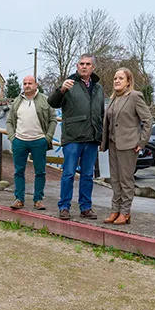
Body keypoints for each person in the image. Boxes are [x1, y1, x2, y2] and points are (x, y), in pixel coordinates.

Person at [48, 54, 104, 220]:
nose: (84, 67)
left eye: (87, 64)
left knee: (87, 175)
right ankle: (64, 207)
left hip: (92, 138)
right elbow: (53, 102)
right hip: (73, 137)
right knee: (69, 173)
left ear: (93, 67)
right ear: (77, 66)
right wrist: (61, 90)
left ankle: (86, 207)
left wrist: (100, 134)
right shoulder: (69, 83)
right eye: (81, 64)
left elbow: (100, 112)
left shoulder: (98, 88)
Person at [100, 67, 153, 225]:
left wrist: (141, 142)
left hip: (129, 145)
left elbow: (148, 120)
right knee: (115, 180)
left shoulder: (135, 97)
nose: (117, 81)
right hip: (113, 144)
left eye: (121, 78)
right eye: (115, 78)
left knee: (126, 180)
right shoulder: (113, 99)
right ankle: (115, 210)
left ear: (128, 81)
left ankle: (125, 212)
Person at [5, 74, 57, 210]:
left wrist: (48, 138)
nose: (27, 86)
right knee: (18, 171)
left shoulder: (46, 100)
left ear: (36, 85)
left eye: (30, 83)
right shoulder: (17, 101)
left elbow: (53, 119)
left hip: (39, 141)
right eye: (25, 83)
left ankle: (38, 199)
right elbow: (10, 121)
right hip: (20, 141)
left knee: (40, 172)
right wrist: (12, 137)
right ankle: (19, 199)